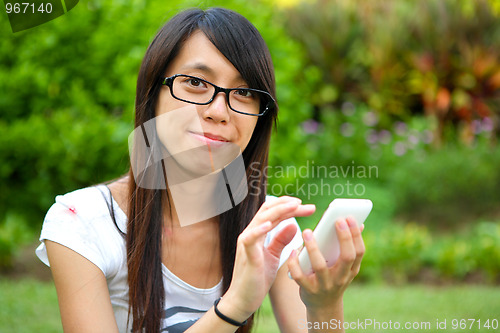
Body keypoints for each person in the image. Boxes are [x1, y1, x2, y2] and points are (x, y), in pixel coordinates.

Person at [35, 7, 365, 333]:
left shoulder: (268, 229)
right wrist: (233, 307)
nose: (219, 111)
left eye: (244, 92)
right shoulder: (84, 223)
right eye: (195, 82)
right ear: (153, 94)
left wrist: (324, 305)